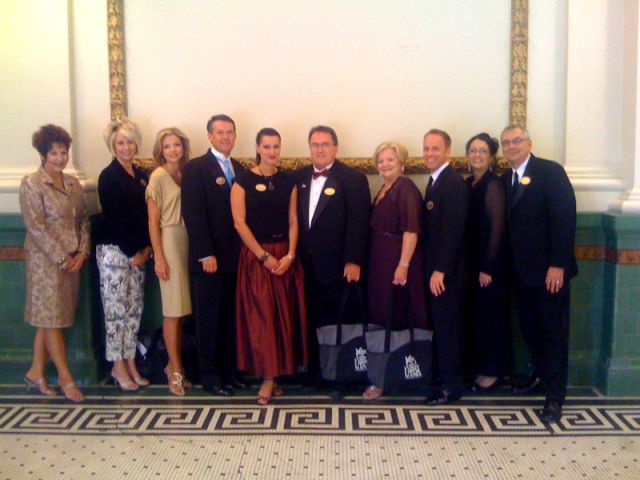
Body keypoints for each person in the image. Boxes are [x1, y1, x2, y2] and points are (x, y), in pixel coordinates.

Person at [500, 125, 577, 423]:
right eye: (506, 143)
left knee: (553, 334)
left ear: (529, 143)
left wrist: (557, 264)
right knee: (531, 331)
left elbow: (564, 217)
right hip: (521, 275)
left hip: (549, 275)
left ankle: (555, 398)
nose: (511, 146)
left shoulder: (550, 171)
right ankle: (541, 378)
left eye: (516, 141)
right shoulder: (506, 179)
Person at [231, 128, 308, 405]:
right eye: (267, 146)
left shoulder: (288, 181)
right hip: (257, 257)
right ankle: (267, 377)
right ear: (257, 147)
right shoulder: (242, 181)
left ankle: (273, 376)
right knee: (262, 320)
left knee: (282, 318)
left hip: (284, 258)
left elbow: (293, 221)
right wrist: (264, 257)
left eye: (276, 146)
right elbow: (240, 224)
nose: (272, 151)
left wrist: (290, 255)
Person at [294, 125, 371, 387]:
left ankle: (339, 377)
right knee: (311, 319)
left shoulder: (353, 178)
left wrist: (353, 260)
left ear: (336, 147)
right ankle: (315, 372)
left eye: (325, 144)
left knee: (338, 321)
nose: (320, 149)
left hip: (339, 266)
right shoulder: (300, 177)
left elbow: (359, 223)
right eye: (315, 144)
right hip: (306, 265)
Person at [19, 124, 90, 402]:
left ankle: (36, 371)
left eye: (64, 152)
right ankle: (65, 377)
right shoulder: (32, 183)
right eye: (54, 153)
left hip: (73, 259)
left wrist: (82, 253)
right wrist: (62, 258)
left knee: (50, 321)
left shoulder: (72, 183)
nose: (60, 158)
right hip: (45, 264)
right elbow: (36, 227)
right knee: (51, 320)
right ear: (42, 155)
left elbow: (83, 220)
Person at [181, 114, 246, 396]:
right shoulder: (196, 168)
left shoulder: (240, 168)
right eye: (219, 132)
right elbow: (193, 214)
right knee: (209, 319)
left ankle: (229, 373)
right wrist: (206, 253)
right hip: (209, 260)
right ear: (209, 136)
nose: (225, 137)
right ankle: (210, 377)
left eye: (230, 132)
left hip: (235, 259)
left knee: (230, 318)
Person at [363, 142, 428, 399]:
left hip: (396, 264)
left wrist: (403, 265)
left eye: (390, 160)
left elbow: (411, 229)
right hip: (379, 262)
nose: (385, 165)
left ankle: (389, 379)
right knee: (380, 317)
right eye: (381, 160)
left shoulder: (406, 189)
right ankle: (383, 375)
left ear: (402, 163)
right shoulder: (385, 188)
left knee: (395, 318)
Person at [96, 118, 152, 391]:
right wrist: (133, 253)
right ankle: (117, 366)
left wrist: (146, 250)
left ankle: (130, 361)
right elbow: (113, 219)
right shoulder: (108, 176)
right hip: (115, 253)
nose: (127, 147)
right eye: (121, 142)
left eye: (130, 142)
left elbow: (145, 217)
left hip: (139, 253)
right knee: (116, 312)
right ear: (112, 145)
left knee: (133, 310)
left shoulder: (141, 175)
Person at [422, 128, 469, 404]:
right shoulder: (436, 181)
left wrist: (440, 269)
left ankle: (451, 387)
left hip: (448, 275)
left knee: (449, 330)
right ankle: (444, 381)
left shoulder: (452, 183)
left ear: (447, 152)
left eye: (435, 148)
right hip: (438, 272)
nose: (429, 153)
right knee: (441, 328)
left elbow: (454, 231)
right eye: (426, 148)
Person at [146, 127, 193, 396]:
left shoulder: (186, 173)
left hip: (189, 239)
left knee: (185, 307)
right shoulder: (158, 176)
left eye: (177, 145)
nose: (173, 150)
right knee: (173, 311)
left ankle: (177, 365)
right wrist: (159, 257)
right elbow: (153, 221)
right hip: (170, 239)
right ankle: (174, 369)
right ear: (160, 151)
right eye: (167, 146)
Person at [464, 133, 512, 392]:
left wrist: (487, 267)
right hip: (472, 264)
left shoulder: (493, 184)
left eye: (482, 151)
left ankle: (493, 373)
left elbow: (496, 228)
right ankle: (481, 368)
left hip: (489, 268)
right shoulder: (470, 182)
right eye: (473, 150)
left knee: (491, 320)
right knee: (479, 319)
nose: (477, 155)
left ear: (492, 156)